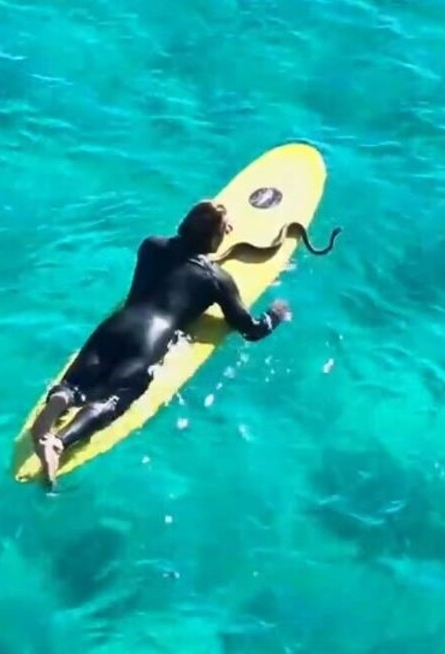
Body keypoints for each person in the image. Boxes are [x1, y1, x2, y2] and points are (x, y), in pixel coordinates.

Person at [31, 200, 293, 487]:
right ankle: (60, 442)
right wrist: (276, 315)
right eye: (223, 231)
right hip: (149, 340)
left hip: (115, 325)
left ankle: (61, 399)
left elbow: (177, 260)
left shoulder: (151, 246)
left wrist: (209, 232)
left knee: (77, 381)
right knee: (113, 397)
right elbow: (251, 330)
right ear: (214, 238)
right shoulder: (216, 279)